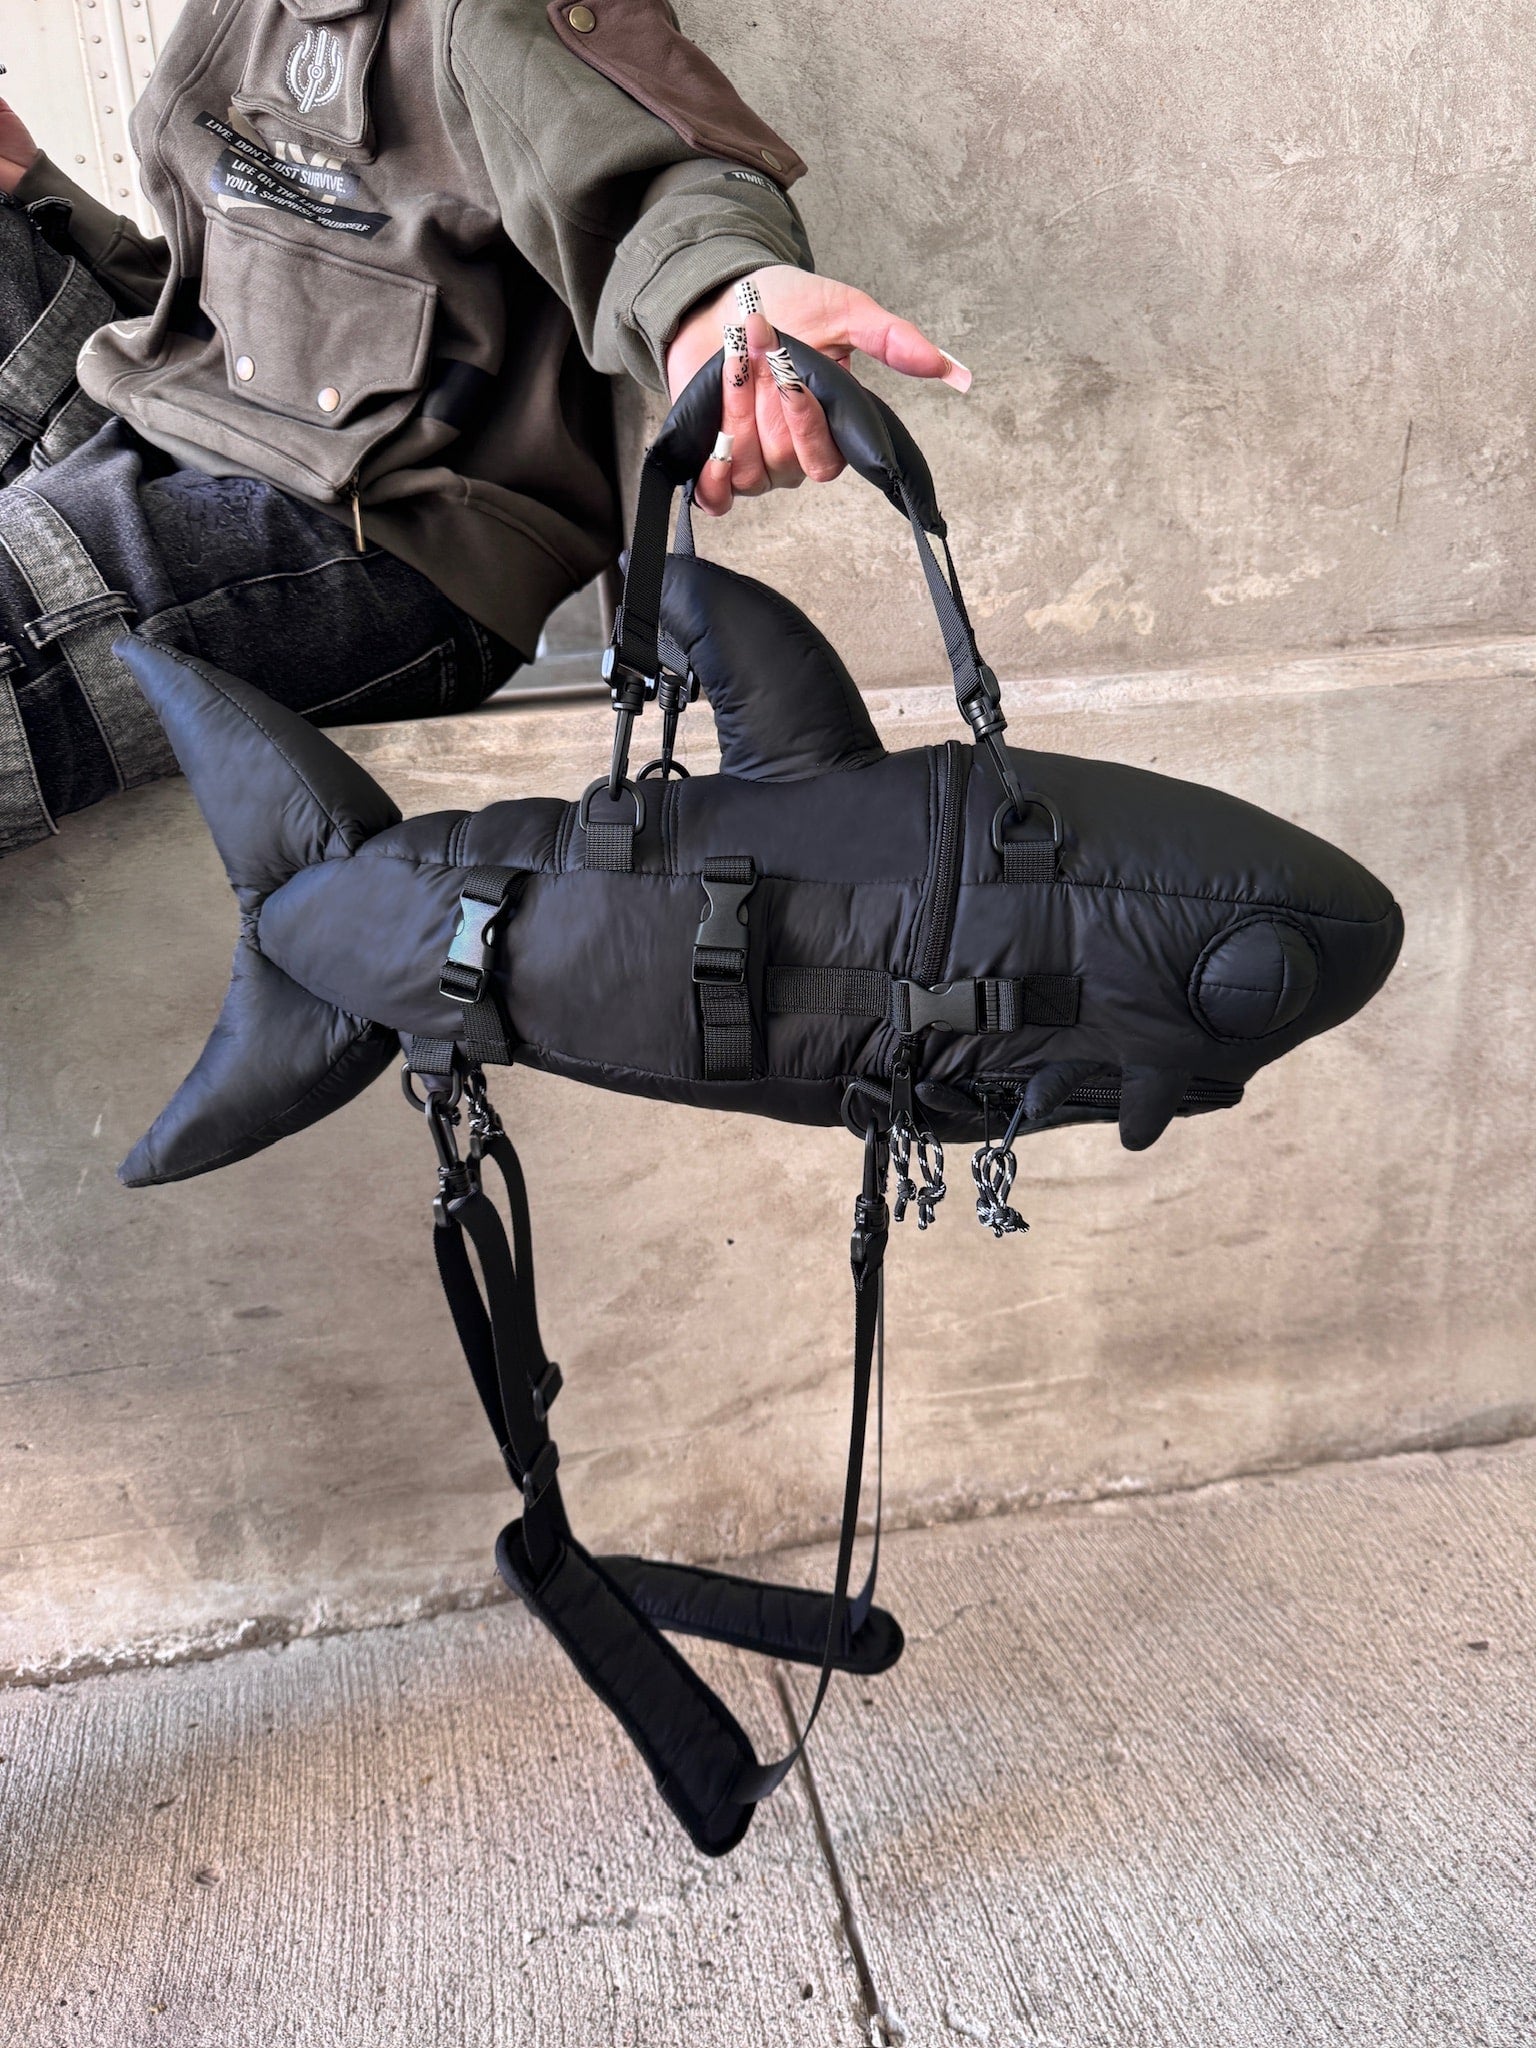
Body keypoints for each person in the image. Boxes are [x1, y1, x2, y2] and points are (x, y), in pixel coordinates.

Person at [0, 0, 968, 859]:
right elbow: (250, 294)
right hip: (180, 422)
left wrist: (717, 294)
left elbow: (655, 171)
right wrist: (38, 190)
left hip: (380, 529)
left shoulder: (475, 13)